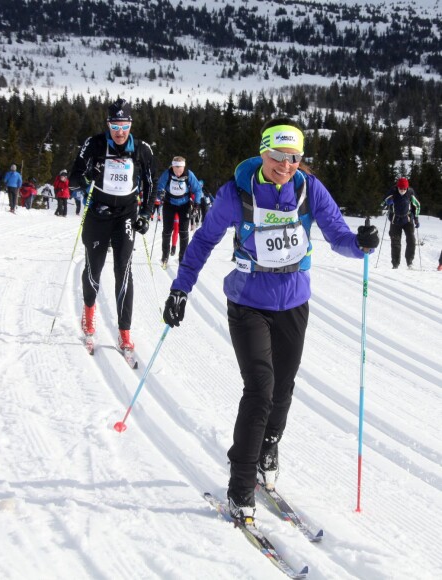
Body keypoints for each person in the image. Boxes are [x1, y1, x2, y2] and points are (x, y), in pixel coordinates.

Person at [162, 117, 379, 524]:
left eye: (293, 157)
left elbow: (338, 236)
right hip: (247, 303)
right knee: (260, 390)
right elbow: (205, 239)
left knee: (283, 390)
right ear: (263, 152)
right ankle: (240, 486)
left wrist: (361, 243)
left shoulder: (308, 189)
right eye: (278, 156)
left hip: (294, 303)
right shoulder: (237, 193)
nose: (285, 164)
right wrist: (181, 288)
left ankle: (268, 449)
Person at [69, 98, 156, 351]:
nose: (119, 132)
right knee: (93, 268)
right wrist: (88, 182)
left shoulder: (142, 149)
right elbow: (75, 176)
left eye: (124, 125)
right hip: (98, 213)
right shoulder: (94, 144)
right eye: (115, 125)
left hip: (126, 215)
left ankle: (124, 332)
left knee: (124, 271)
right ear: (108, 124)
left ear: (131, 124)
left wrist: (146, 214)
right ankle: (88, 314)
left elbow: (151, 185)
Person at [156, 156, 203, 267]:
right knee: (167, 231)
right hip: (169, 204)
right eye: (176, 171)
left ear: (183, 168)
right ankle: (165, 256)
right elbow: (159, 186)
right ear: (172, 167)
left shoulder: (189, 174)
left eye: (180, 170)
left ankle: (182, 258)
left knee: (183, 232)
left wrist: (197, 203)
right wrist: (160, 193)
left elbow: (197, 189)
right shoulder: (167, 173)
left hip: (184, 205)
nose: (178, 173)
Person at [383, 177, 421, 269]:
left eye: (404, 189)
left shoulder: (410, 192)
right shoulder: (393, 191)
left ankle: (409, 262)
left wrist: (416, 218)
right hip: (395, 220)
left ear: (407, 188)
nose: (402, 190)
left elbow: (417, 205)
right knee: (395, 242)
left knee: (411, 240)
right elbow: (384, 201)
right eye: (401, 188)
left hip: (407, 219)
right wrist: (389, 201)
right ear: (398, 187)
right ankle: (395, 264)